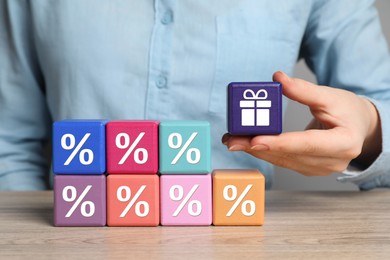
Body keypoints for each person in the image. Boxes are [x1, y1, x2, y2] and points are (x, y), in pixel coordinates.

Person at [0, 0, 389, 191]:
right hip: (76, 234)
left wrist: (369, 132)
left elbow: (382, 103)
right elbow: (9, 143)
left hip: (239, 234)